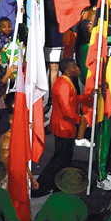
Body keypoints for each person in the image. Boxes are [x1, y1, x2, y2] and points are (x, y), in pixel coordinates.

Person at [34, 58, 95, 196]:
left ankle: (55, 184)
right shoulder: (63, 85)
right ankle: (51, 185)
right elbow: (67, 111)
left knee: (62, 158)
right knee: (61, 159)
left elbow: (73, 99)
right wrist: (80, 120)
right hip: (63, 128)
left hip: (65, 127)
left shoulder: (66, 82)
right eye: (75, 67)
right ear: (68, 69)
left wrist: (87, 96)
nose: (78, 69)